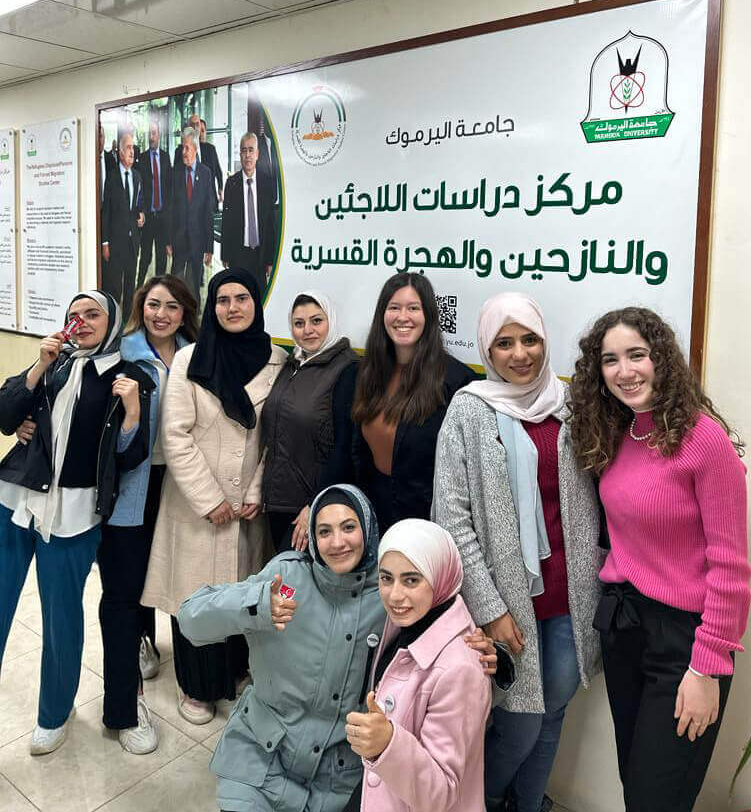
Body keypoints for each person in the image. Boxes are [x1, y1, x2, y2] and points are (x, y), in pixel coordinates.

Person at [176, 484, 497, 812]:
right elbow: (190, 620)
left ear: (368, 529)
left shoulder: (388, 595)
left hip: (337, 781)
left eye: (348, 527)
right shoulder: (285, 578)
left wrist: (480, 653)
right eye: (324, 531)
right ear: (312, 537)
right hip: (259, 759)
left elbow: (439, 636)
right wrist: (254, 604)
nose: (337, 542)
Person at [568, 307, 751, 812]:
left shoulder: (703, 440)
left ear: (661, 360)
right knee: (637, 786)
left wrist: (707, 666)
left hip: (686, 643)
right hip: (626, 628)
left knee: (657, 797)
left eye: (637, 355)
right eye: (610, 360)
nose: (625, 371)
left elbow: (731, 569)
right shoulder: (617, 433)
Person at [433, 292, 604, 812]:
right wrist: (491, 609)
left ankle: (526, 806)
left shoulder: (572, 406)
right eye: (504, 343)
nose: (520, 354)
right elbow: (452, 518)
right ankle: (475, 803)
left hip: (572, 602)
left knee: (552, 717)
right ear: (487, 349)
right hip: (509, 606)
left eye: (530, 339)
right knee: (518, 724)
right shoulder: (469, 409)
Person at [0, 291, 152, 755]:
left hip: (74, 514)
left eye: (92, 314)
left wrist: (131, 413)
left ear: (112, 322)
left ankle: (54, 713)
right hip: (17, 500)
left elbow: (132, 455)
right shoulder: (55, 363)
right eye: (73, 315)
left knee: (61, 616)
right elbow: (7, 418)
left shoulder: (129, 377)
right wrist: (37, 368)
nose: (81, 322)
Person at [141, 268, 285, 725]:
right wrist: (209, 498)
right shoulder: (189, 362)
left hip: (249, 507)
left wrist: (258, 488)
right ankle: (197, 688)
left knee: (242, 597)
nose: (233, 308)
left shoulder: (278, 361)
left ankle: (236, 674)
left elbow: (275, 436)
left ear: (257, 304)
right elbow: (176, 435)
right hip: (194, 505)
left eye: (242, 298)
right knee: (194, 599)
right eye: (223, 300)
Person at [98, 275, 199, 753]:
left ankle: (184, 666)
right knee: (124, 589)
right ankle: (125, 702)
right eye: (154, 304)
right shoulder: (119, 353)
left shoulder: (195, 354)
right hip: (130, 487)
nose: (162, 314)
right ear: (142, 306)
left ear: (185, 313)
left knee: (176, 574)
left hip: (182, 486)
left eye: (173, 306)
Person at [343, 518, 491, 812]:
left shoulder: (459, 670)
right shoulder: (412, 621)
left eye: (411, 579)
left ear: (440, 576)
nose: (395, 595)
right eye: (386, 578)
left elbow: (443, 792)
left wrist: (387, 743)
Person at [351, 272, 475, 533]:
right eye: (394, 307)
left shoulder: (456, 380)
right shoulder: (367, 372)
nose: (403, 317)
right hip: (374, 515)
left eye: (413, 308)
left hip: (429, 523)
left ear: (428, 315)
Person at [261, 290, 358, 552]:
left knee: (297, 586)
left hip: (311, 508)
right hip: (278, 502)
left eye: (317, 321)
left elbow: (345, 449)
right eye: (299, 323)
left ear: (331, 322)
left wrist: (316, 503)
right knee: (285, 583)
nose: (308, 331)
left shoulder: (348, 370)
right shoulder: (292, 364)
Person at [221, 132, 278, 296]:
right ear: (240, 153)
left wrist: (270, 259)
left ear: (257, 154)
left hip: (260, 255)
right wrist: (225, 254)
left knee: (260, 299)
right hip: (239, 254)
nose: (247, 155)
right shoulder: (231, 183)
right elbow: (227, 222)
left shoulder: (267, 183)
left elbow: (270, 224)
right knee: (240, 298)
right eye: (244, 150)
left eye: (251, 150)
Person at [101, 132, 145, 318]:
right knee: (115, 287)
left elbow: (138, 205)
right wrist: (105, 243)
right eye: (128, 147)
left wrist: (141, 216)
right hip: (116, 242)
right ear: (120, 152)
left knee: (129, 286)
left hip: (132, 241)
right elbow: (106, 212)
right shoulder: (111, 178)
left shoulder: (137, 176)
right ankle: (113, 321)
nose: (132, 151)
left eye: (133, 147)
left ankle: (127, 321)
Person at [170, 126, 214, 307]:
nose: (183, 152)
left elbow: (208, 212)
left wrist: (209, 247)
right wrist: (168, 241)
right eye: (182, 147)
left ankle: (194, 324)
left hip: (197, 241)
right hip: (179, 240)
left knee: (194, 286)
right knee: (175, 286)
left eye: (187, 147)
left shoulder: (205, 174)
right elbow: (171, 210)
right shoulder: (176, 173)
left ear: (195, 148)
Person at [136, 120, 173, 284]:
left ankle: (159, 288)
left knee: (161, 256)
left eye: (154, 133)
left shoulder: (166, 157)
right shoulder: (142, 158)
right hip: (148, 216)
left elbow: (169, 186)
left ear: (159, 135)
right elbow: (140, 189)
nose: (151, 137)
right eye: (149, 133)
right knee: (145, 256)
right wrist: (141, 210)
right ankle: (139, 288)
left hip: (162, 216)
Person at [174, 114, 223, 202]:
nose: (195, 127)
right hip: (188, 200)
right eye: (192, 125)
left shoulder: (210, 149)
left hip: (208, 198)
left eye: (197, 124)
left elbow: (218, 171)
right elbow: (176, 177)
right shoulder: (180, 151)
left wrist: (220, 189)